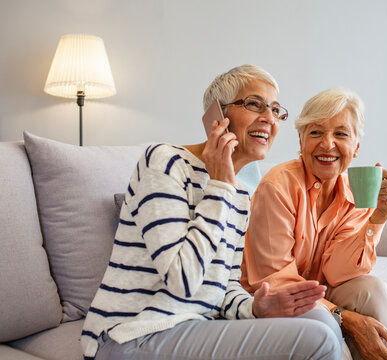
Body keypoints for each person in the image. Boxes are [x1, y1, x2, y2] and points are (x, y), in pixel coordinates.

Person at [81, 65, 342, 360]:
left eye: (275, 109)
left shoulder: (240, 195)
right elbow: (183, 281)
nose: (269, 118)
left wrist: (256, 307)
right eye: (254, 104)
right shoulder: (165, 162)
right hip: (130, 335)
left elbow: (224, 288)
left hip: (194, 327)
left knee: (323, 321)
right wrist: (219, 184)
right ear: (217, 115)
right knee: (316, 338)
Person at [241, 87, 387, 360]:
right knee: (329, 328)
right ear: (301, 140)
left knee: (372, 289)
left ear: (356, 146)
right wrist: (345, 317)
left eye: (340, 134)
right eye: (316, 132)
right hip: (271, 298)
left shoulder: (356, 193)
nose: (327, 144)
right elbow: (276, 280)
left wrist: (379, 215)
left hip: (315, 290)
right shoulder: (278, 185)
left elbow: (340, 272)